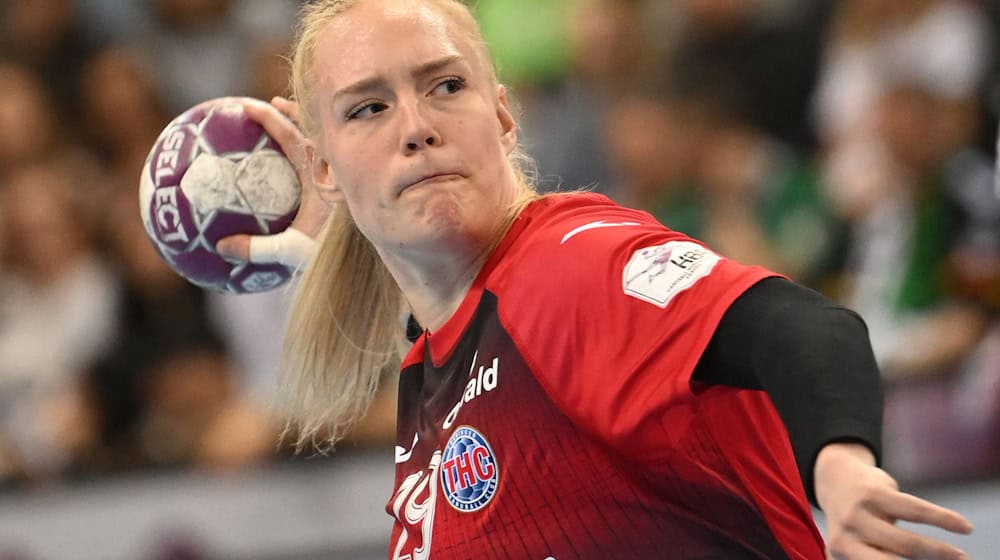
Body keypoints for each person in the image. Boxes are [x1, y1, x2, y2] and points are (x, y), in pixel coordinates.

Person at [214, 0, 974, 558]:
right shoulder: (436, 365)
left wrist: (841, 471)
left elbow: (801, 328)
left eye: (446, 86)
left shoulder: (564, 265)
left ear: (504, 120)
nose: (416, 124)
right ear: (321, 168)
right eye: (368, 108)